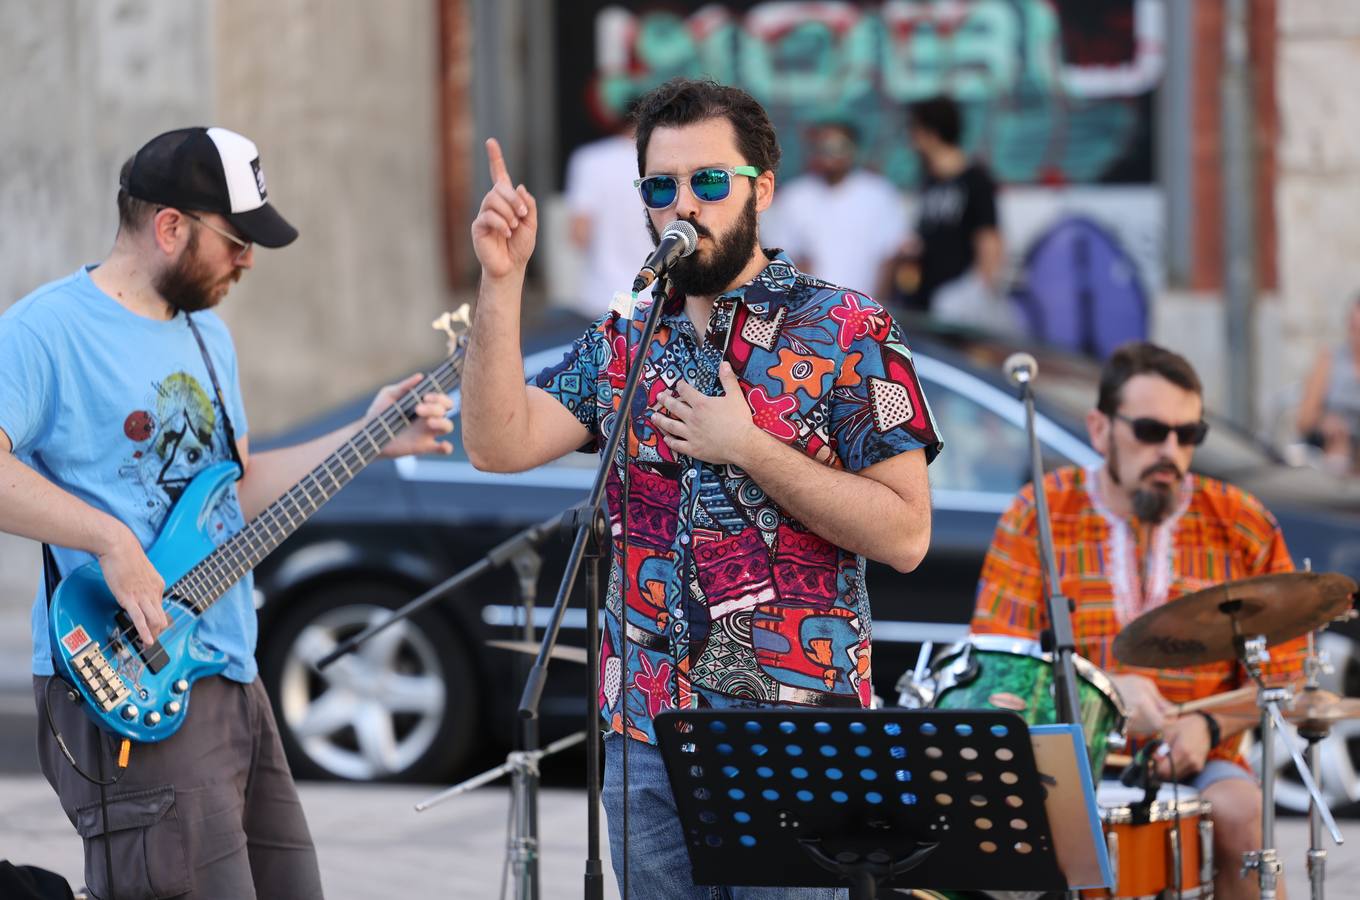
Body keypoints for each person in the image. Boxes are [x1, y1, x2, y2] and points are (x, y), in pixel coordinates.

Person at [461, 78, 942, 898]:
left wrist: (750, 449)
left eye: (709, 181)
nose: (685, 204)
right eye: (662, 187)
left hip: (794, 727)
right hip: (642, 726)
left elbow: (905, 535)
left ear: (763, 187)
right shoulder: (627, 334)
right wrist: (501, 283)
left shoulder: (851, 329)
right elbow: (498, 443)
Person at [0, 126, 454, 900]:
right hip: (125, 678)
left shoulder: (208, 334)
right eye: (236, 240)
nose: (248, 260)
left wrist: (370, 435)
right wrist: (109, 539)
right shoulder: (44, 331)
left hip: (229, 673)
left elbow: (229, 492)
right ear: (170, 226)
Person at [971, 341, 1306, 900]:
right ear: (1100, 429)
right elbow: (995, 666)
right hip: (1066, 759)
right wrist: (1101, 693)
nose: (1170, 451)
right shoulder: (1038, 514)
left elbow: (1287, 671)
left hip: (1204, 761)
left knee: (1241, 809)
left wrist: (1210, 727)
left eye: (1187, 434)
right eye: (1151, 431)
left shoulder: (1243, 523)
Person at [901, 96, 1018, 336]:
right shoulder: (929, 182)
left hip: (958, 308)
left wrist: (976, 294)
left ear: (931, 134)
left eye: (915, 131)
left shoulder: (975, 180)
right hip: (928, 305)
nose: (911, 141)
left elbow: (990, 240)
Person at [761, 120, 908, 297]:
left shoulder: (879, 194)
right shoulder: (795, 197)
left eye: (837, 146)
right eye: (822, 147)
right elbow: (780, 257)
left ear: (853, 149)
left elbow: (889, 258)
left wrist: (878, 310)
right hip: (808, 311)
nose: (829, 154)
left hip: (865, 310)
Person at [560, 113, 656, 319]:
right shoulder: (663, 161)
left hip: (600, 298)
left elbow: (579, 234)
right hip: (655, 299)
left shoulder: (590, 160)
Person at [1296, 294, 1360, 475]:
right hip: (1332, 444)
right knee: (1340, 445)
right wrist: (1325, 422)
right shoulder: (1330, 359)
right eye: (1354, 327)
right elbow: (1304, 420)